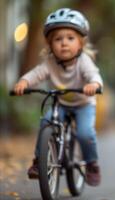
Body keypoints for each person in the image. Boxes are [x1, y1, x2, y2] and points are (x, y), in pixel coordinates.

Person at [13, 8, 103, 186]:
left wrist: (94, 85)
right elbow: (36, 74)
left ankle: (92, 164)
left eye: (70, 38)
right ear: (50, 44)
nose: (64, 43)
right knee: (46, 122)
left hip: (83, 103)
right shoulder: (50, 63)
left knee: (85, 133)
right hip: (60, 103)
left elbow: (94, 75)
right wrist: (23, 82)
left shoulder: (83, 61)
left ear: (81, 43)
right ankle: (39, 162)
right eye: (58, 39)